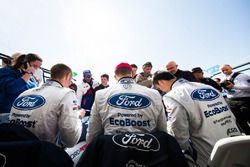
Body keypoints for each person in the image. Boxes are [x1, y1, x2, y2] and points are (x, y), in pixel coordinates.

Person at [153, 71, 241, 167]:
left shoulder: (172, 96)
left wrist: (178, 150)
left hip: (209, 155)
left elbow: (178, 130)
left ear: (161, 82)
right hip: (237, 145)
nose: (162, 91)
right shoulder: (209, 87)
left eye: (159, 89)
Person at [86, 62, 167, 144]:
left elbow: (93, 131)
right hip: (147, 149)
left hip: (112, 149)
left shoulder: (101, 94)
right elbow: (163, 129)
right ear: (132, 74)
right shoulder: (154, 94)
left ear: (115, 77)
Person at [9, 63, 83, 148]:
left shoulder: (25, 93)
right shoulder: (66, 93)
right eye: (70, 80)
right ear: (67, 75)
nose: (70, 84)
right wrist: (79, 117)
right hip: (43, 153)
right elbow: (70, 140)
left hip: (14, 147)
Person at [0, 53, 42, 123]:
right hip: (6, 113)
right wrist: (28, 74)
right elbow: (11, 88)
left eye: (38, 67)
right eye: (34, 66)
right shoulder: (6, 71)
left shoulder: (31, 79)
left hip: (24, 116)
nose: (36, 69)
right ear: (25, 63)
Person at [220, 64, 250, 134]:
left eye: (226, 69)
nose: (225, 71)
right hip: (231, 101)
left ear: (231, 67)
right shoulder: (223, 79)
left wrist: (234, 86)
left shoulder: (242, 76)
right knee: (241, 122)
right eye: (222, 70)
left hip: (244, 100)